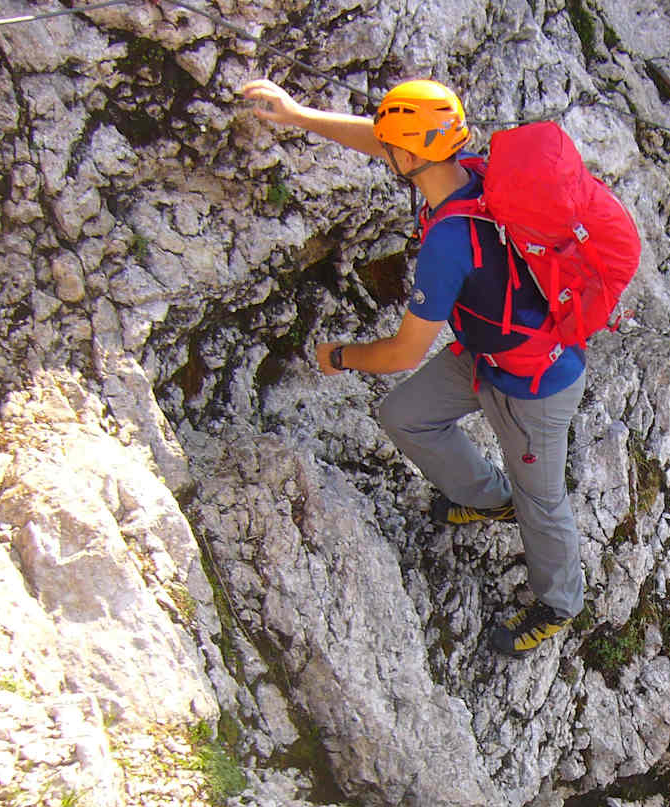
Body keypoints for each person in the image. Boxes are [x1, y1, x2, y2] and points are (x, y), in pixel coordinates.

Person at [238, 76, 585, 656]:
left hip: (534, 382)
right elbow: (384, 143)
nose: (385, 150)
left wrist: (340, 357)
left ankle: (559, 604)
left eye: (392, 144)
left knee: (542, 501)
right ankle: (485, 495)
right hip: (487, 351)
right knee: (404, 414)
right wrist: (298, 115)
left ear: (409, 154)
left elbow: (403, 352)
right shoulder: (469, 170)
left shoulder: (449, 240)